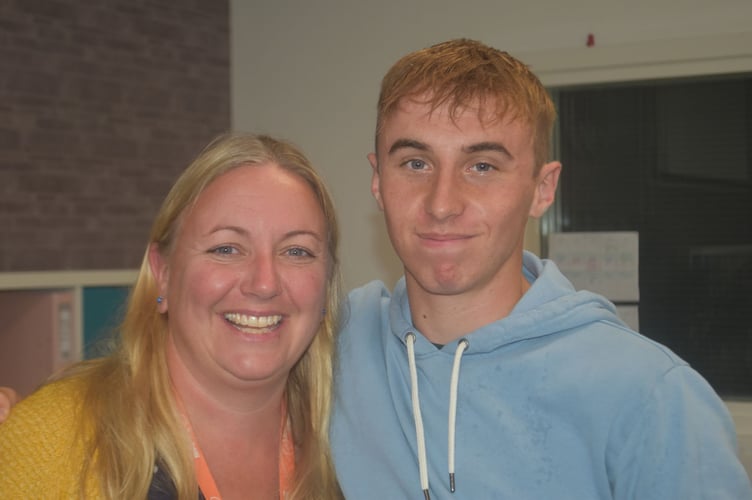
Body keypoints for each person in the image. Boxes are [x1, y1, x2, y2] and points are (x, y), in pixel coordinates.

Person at [329, 38, 752, 499]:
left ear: (542, 189)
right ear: (377, 180)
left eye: (482, 166)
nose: (442, 203)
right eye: (415, 163)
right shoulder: (332, 350)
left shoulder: (650, 395)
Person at [0, 133, 344, 499]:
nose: (264, 283)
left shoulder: (353, 454)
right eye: (226, 248)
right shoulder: (57, 440)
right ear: (162, 272)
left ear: (326, 284)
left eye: (297, 252)